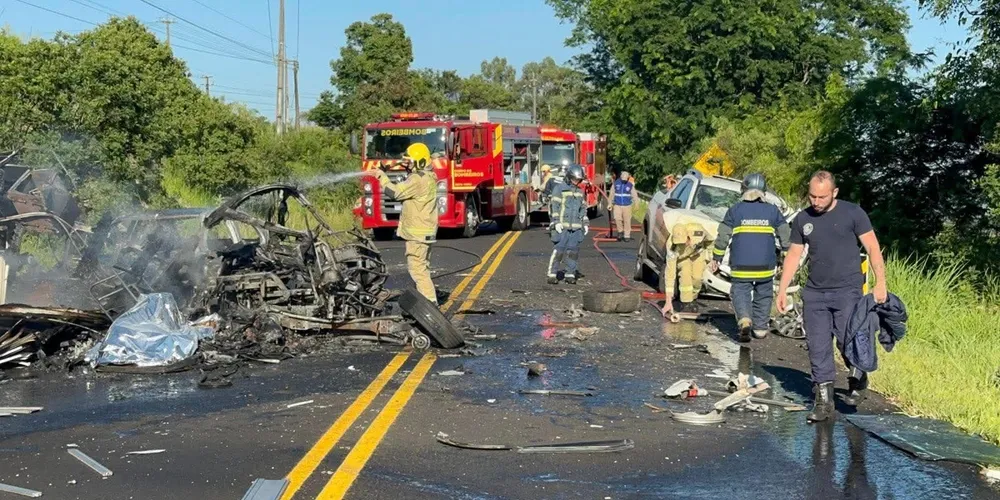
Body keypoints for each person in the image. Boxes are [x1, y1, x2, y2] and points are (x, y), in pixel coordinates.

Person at [777, 170, 887, 423]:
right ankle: (824, 402)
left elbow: (872, 247)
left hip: (847, 290)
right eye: (812, 196)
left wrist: (880, 283)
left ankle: (858, 376)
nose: (816, 201)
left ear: (834, 193)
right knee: (817, 346)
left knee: (848, 340)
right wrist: (782, 289)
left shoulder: (852, 213)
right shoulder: (803, 219)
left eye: (822, 197)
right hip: (815, 292)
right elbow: (794, 255)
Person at [711, 173, 791, 343]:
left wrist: (716, 257)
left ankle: (745, 319)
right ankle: (761, 328)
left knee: (740, 292)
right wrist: (786, 254)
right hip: (766, 266)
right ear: (763, 191)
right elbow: (785, 234)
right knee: (764, 294)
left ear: (744, 190)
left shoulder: (735, 210)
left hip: (741, 265)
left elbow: (723, 236)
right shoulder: (772, 210)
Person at [372, 143, 439, 304]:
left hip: (418, 233)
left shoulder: (417, 179)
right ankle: (421, 301)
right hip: (425, 231)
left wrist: (381, 176)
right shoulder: (427, 176)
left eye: (410, 161)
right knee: (422, 267)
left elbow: (395, 192)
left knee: (418, 270)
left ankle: (430, 306)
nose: (407, 164)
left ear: (419, 162)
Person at [660, 215, 716, 317]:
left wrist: (712, 258)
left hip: (697, 253)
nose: (682, 245)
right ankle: (686, 302)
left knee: (697, 277)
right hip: (683, 258)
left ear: (688, 236)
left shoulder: (697, 231)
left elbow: (710, 241)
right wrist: (668, 302)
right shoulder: (672, 247)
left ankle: (693, 298)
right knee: (685, 273)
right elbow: (670, 275)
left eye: (684, 242)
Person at [547, 165, 589, 285]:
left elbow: (583, 209)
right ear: (569, 177)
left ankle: (570, 274)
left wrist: (585, 223)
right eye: (575, 179)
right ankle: (552, 274)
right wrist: (556, 222)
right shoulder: (559, 189)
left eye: (578, 180)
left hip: (575, 228)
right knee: (558, 251)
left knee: (573, 252)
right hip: (562, 227)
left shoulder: (580, 192)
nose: (577, 182)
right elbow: (554, 206)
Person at [611, 171, 640, 241]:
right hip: (617, 204)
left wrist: (637, 204)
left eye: (625, 179)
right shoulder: (616, 184)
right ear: (620, 177)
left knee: (627, 220)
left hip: (627, 205)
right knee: (617, 218)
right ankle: (620, 231)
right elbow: (611, 194)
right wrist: (609, 203)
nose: (624, 180)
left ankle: (627, 235)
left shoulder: (630, 185)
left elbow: (634, 195)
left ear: (628, 178)